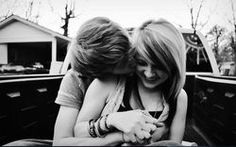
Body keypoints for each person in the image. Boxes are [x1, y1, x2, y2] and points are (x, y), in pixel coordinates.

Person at [4, 17, 135, 146]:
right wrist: (115, 138)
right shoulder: (76, 78)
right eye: (121, 61)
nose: (132, 59)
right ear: (101, 71)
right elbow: (62, 142)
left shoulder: (144, 64)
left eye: (130, 49)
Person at [73, 18, 188, 146]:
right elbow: (79, 131)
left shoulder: (179, 98)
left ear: (174, 65)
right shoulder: (110, 83)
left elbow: (174, 144)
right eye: (142, 63)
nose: (149, 73)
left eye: (159, 66)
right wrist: (111, 120)